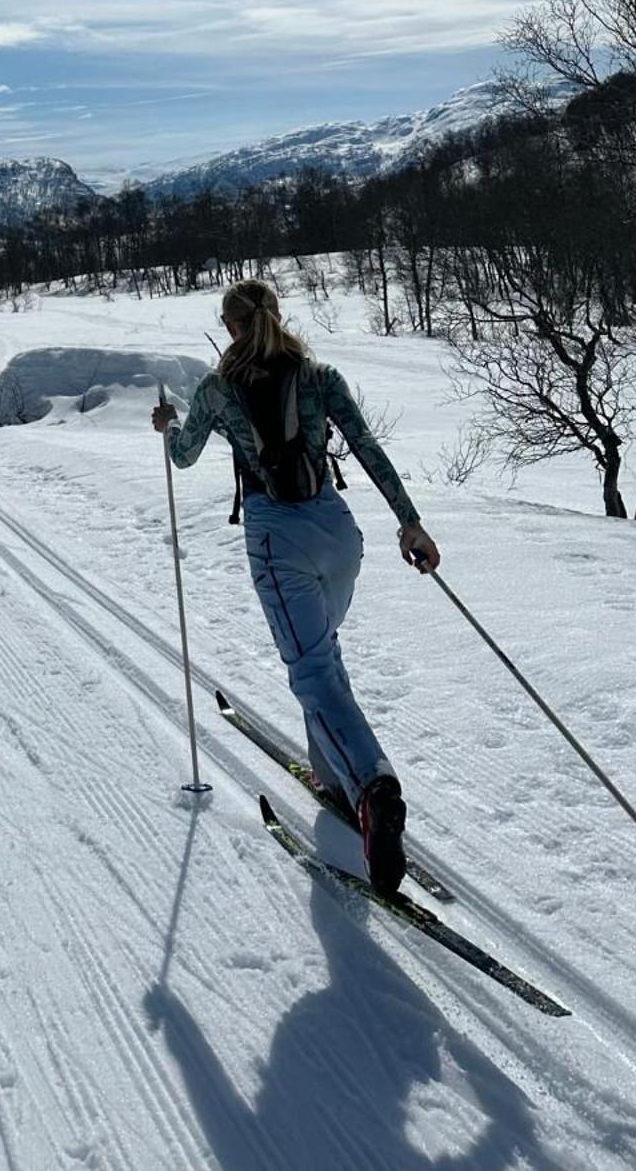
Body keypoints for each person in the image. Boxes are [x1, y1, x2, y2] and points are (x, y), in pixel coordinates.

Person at [151, 278, 441, 896]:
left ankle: (372, 789)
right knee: (322, 655)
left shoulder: (217, 388)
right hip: (339, 535)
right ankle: (333, 775)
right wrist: (409, 523)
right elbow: (366, 448)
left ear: (231, 327)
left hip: (277, 540)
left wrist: (167, 426)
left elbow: (182, 456)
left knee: (311, 670)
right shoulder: (318, 376)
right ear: (277, 317)